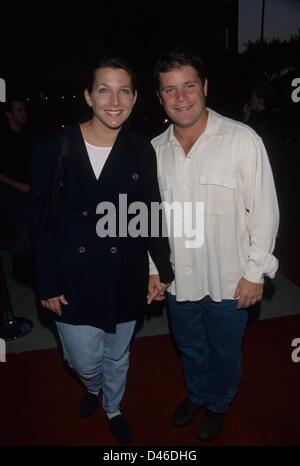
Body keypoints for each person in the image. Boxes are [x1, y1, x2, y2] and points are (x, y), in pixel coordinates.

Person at [28, 57, 173, 444]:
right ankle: (92, 385)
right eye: (104, 90)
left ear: (135, 97)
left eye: (123, 90)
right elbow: (39, 222)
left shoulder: (141, 149)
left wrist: (162, 270)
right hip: (71, 276)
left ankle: (113, 406)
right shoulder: (52, 147)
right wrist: (46, 283)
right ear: (88, 96)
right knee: (82, 359)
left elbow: (150, 213)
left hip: (124, 273)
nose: (114, 100)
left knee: (119, 352)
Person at [147, 46, 279, 441]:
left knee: (224, 352)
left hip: (228, 280)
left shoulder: (242, 139)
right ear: (159, 97)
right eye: (170, 90)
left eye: (189, 86)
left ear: (204, 86)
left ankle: (218, 403)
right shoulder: (154, 150)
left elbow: (265, 211)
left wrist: (256, 273)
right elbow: (155, 221)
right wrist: (155, 270)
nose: (181, 97)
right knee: (189, 348)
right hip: (180, 283)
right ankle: (198, 394)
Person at [0, 97, 32, 249]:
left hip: (27, 191)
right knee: (21, 235)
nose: (24, 113)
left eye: (24, 109)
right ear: (9, 114)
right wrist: (22, 187)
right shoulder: (4, 140)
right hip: (11, 195)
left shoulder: (26, 136)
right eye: (19, 110)